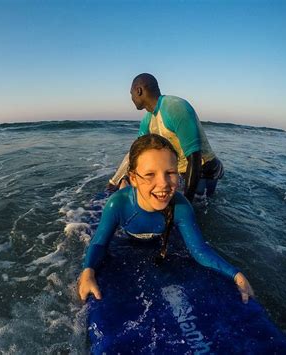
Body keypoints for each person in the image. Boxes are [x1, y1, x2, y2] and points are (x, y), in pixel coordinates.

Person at [78, 134, 253, 303]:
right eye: (149, 175)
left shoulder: (181, 207)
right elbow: (100, 243)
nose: (163, 183)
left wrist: (235, 275)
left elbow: (199, 249)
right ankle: (124, 184)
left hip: (159, 237)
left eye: (170, 172)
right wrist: (88, 272)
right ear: (134, 178)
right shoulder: (117, 205)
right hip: (129, 235)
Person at [109, 73, 224, 202]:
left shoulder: (175, 107)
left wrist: (186, 203)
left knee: (194, 212)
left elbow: (194, 157)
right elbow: (135, 153)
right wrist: (115, 181)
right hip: (181, 173)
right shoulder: (147, 120)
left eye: (131, 94)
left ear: (139, 90)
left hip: (205, 171)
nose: (131, 98)